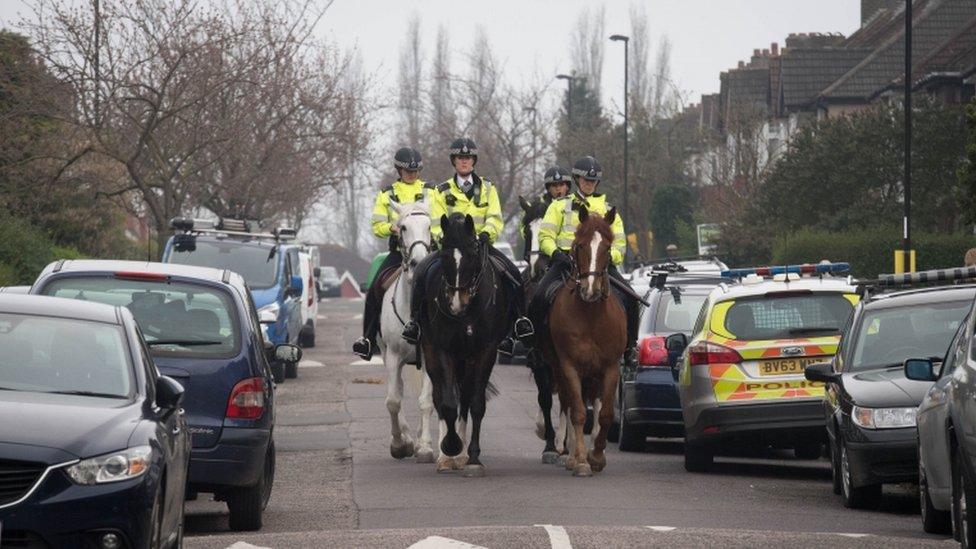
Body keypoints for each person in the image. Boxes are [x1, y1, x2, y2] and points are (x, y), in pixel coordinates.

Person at [401, 138, 534, 353]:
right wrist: (446, 238)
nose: (465, 162)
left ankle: (516, 325)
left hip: (480, 246)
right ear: (454, 161)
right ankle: (415, 323)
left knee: (513, 275)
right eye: (461, 158)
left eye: (468, 158)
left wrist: (485, 234)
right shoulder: (441, 190)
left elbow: (494, 217)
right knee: (422, 273)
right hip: (452, 248)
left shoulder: (488, 188)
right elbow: (435, 222)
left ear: (474, 161)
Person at [529, 155, 641, 368]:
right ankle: (535, 345)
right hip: (565, 263)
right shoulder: (560, 205)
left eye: (593, 181)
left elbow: (619, 246)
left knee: (630, 297)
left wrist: (609, 259)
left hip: (600, 266)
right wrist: (555, 253)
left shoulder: (609, 209)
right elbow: (545, 236)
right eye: (585, 180)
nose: (589, 184)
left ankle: (630, 349)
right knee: (540, 296)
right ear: (577, 179)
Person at [352, 147, 428, 360]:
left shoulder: (432, 191)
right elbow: (377, 225)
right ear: (399, 170)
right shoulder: (387, 194)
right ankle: (367, 339)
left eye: (415, 171)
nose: (412, 175)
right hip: (399, 252)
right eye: (407, 171)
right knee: (376, 288)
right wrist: (392, 228)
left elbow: (440, 219)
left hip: (428, 251)